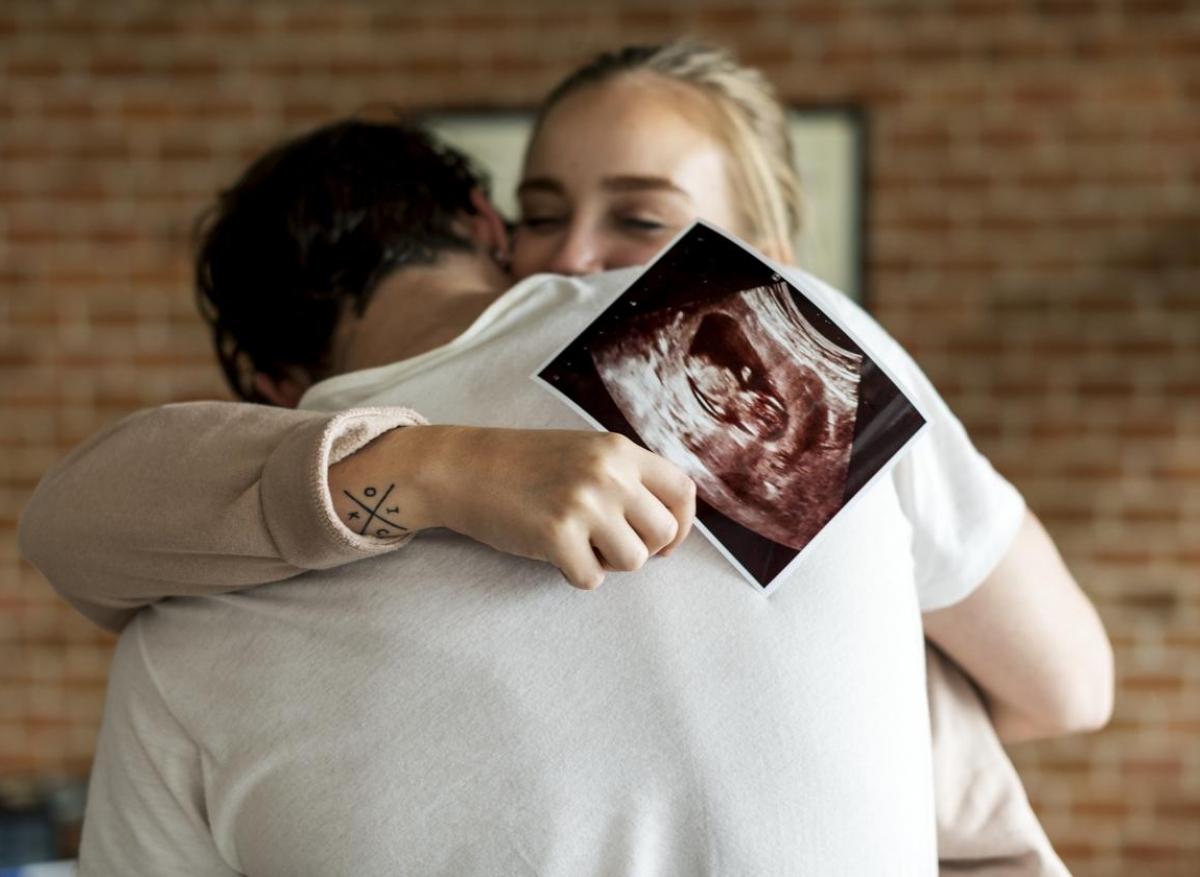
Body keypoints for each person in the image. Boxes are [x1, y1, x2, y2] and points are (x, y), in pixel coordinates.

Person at [17, 44, 1109, 874]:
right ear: (491, 228)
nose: (581, 261)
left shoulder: (186, 616)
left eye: (638, 219)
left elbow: (67, 527)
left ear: (262, 381)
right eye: (550, 215)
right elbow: (1065, 682)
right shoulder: (741, 339)